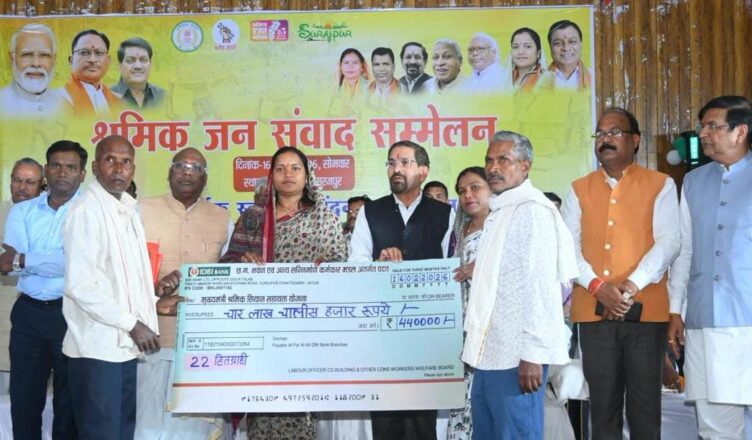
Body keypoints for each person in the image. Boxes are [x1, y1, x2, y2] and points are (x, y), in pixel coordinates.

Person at [561, 107, 680, 439]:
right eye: (600, 134)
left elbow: (670, 242)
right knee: (601, 410)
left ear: (635, 140)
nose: (605, 140)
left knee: (645, 411)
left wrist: (630, 285)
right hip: (593, 313)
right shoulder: (578, 189)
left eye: (614, 133)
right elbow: (567, 248)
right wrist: (597, 286)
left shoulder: (661, 184)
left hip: (645, 311)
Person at [221, 146, 347, 440]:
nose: (287, 174)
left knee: (301, 405)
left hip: (308, 331)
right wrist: (244, 262)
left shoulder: (323, 218)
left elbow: (340, 271)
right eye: (280, 168)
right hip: (262, 329)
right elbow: (227, 265)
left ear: (307, 175)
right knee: (263, 401)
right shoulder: (253, 217)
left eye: (295, 168)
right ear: (271, 176)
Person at [462, 130, 576, 439]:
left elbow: (541, 287)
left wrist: (533, 353)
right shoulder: (501, 210)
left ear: (525, 166)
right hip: (489, 353)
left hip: (518, 356)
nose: (493, 167)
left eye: (504, 160)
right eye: (489, 160)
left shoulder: (533, 211)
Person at [350, 140, 454, 440]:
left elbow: (451, 266)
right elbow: (356, 264)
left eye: (405, 162)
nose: (396, 169)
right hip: (383, 329)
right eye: (391, 163)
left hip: (428, 329)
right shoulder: (371, 212)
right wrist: (378, 264)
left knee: (423, 417)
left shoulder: (445, 214)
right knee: (386, 415)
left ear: (423, 171)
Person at [62, 135, 162, 439]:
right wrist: (133, 324)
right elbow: (81, 286)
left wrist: (156, 301)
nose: (119, 168)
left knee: (120, 432)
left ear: (133, 169)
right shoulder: (86, 210)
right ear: (95, 167)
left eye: (126, 162)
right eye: (110, 160)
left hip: (124, 349)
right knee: (101, 433)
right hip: (96, 349)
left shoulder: (127, 210)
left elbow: (129, 278)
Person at [668, 96, 752, 439]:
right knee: (715, 427)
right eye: (703, 126)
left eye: (713, 126)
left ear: (740, 132)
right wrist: (675, 310)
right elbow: (685, 249)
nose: (703, 133)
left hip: (748, 321)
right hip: (704, 321)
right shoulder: (693, 181)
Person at [136, 147, 231, 439]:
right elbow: (124, 273)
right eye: (181, 165)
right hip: (150, 340)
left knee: (194, 430)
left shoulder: (222, 219)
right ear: (169, 172)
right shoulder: (140, 211)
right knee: (147, 427)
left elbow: (231, 278)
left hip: (201, 346)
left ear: (205, 178)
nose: (188, 171)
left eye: (196, 167)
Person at [1, 140, 88, 440]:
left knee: (68, 403)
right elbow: (9, 263)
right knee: (24, 400)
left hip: (72, 313)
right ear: (46, 170)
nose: (63, 172)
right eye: (56, 165)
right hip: (28, 313)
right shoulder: (22, 211)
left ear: (82, 174)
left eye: (71, 167)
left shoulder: (90, 213)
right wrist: (52, 260)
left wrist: (26, 259)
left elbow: (80, 263)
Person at [447, 166, 492, 440]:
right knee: (461, 405)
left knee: (488, 406)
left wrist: (481, 268)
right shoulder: (459, 229)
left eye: (475, 187)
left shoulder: (502, 227)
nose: (468, 195)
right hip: (461, 334)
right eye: (462, 191)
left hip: (491, 333)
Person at [0, 158, 45, 383]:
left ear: (42, 185)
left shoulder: (53, 216)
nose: (22, 188)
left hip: (42, 322)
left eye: (30, 182)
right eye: (17, 180)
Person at [0, 23, 66, 119]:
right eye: (27, 54)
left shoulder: (67, 104)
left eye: (44, 55)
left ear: (54, 59)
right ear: (12, 58)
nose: (36, 63)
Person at [62, 29, 120, 116]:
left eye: (99, 53)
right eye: (84, 52)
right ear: (71, 60)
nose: (92, 59)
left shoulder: (117, 101)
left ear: (108, 60)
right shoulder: (60, 99)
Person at [111, 37, 166, 110]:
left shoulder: (163, 96)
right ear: (120, 66)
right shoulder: (105, 97)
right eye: (130, 60)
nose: (138, 66)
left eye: (143, 60)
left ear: (151, 64)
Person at [537, 20, 592, 91]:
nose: (566, 48)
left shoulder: (595, 78)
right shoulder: (538, 80)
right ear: (550, 47)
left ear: (581, 45)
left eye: (572, 42)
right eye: (558, 43)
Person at [509, 27, 546, 93]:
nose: (520, 52)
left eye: (527, 46)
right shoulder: (504, 77)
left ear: (538, 53)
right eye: (516, 47)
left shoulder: (546, 78)